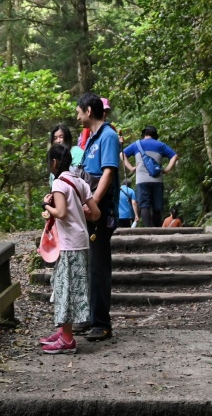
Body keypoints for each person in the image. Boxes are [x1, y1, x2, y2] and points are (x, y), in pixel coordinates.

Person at [76, 92, 120, 341]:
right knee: (89, 266)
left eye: (79, 110)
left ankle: (102, 323)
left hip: (100, 213)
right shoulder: (92, 139)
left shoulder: (109, 136)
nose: (77, 115)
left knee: (99, 267)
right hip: (89, 208)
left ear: (89, 111)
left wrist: (94, 205)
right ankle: (90, 317)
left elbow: (108, 174)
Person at [40, 143, 91, 354]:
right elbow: (94, 213)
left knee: (65, 288)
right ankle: (64, 332)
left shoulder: (60, 183)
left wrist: (46, 206)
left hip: (69, 244)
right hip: (81, 241)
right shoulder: (80, 182)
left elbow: (60, 213)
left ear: (54, 163)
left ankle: (68, 339)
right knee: (69, 286)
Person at [122, 126, 178, 230]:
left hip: (141, 180)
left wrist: (131, 168)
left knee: (144, 205)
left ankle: (148, 229)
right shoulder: (160, 145)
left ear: (144, 134)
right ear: (155, 135)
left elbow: (122, 154)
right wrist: (166, 170)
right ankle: (157, 230)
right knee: (156, 207)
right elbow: (174, 156)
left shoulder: (136, 144)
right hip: (157, 180)